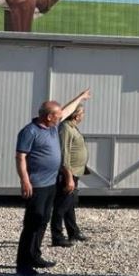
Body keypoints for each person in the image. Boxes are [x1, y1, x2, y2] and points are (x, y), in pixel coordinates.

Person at [14, 89, 91, 276]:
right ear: (49, 117)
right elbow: (20, 157)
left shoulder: (52, 127)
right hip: (37, 184)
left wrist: (80, 97)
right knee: (33, 222)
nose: (61, 118)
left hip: (50, 184)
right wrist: (25, 180)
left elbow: (65, 109)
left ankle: (35, 255)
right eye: (57, 116)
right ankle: (23, 264)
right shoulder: (29, 131)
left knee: (43, 220)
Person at [51, 105, 89, 247]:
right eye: (82, 113)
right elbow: (64, 152)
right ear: (76, 115)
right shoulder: (65, 128)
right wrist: (68, 176)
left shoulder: (72, 127)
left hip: (75, 172)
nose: (83, 116)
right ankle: (57, 236)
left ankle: (73, 231)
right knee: (61, 205)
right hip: (69, 172)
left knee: (69, 203)